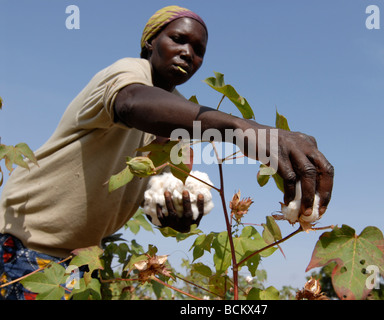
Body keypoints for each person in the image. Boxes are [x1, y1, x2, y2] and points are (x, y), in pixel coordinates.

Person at [0, 5, 334, 300]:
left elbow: (155, 199)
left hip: (79, 261)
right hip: (25, 246)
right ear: (150, 42)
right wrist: (243, 130)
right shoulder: (126, 74)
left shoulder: (177, 129)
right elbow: (132, 103)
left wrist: (178, 214)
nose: (189, 53)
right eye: (179, 39)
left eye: (199, 49)